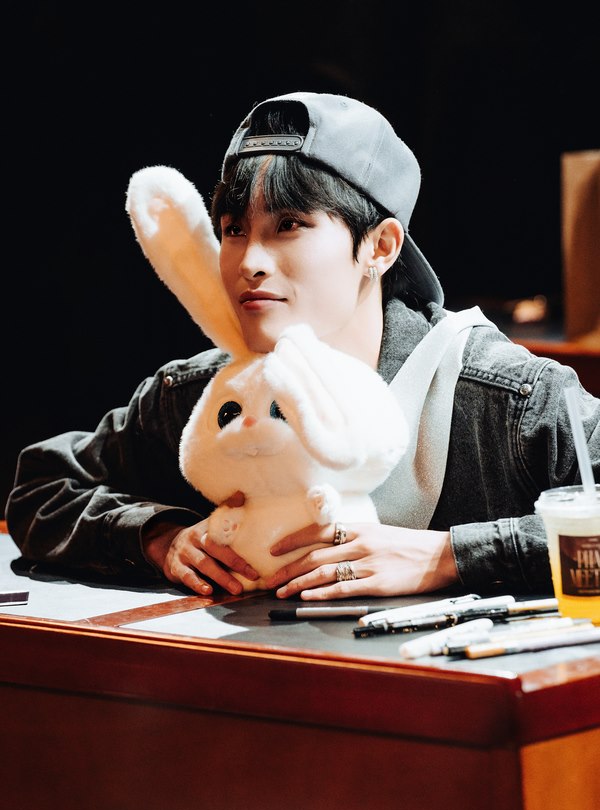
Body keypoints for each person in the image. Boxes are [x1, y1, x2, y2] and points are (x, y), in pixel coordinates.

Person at [6, 91, 600, 601]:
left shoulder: (506, 397)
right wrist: (158, 538)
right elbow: (41, 487)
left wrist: (447, 556)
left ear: (381, 246)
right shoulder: (210, 398)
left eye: (288, 225)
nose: (250, 262)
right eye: (234, 229)